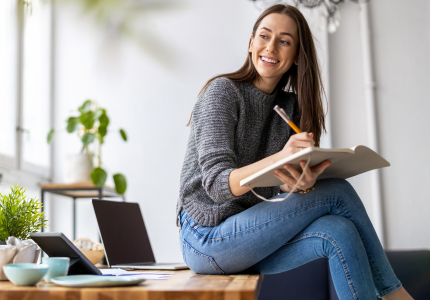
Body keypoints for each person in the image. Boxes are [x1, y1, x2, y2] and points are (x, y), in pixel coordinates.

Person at [177, 4, 413, 300]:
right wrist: (280, 157)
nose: (271, 47)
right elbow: (216, 184)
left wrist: (297, 184)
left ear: (297, 56)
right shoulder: (223, 92)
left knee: (339, 231)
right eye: (264, 36)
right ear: (251, 43)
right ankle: (396, 294)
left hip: (249, 238)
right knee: (338, 191)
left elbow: (277, 188)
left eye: (284, 41)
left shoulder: (292, 108)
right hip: (205, 237)